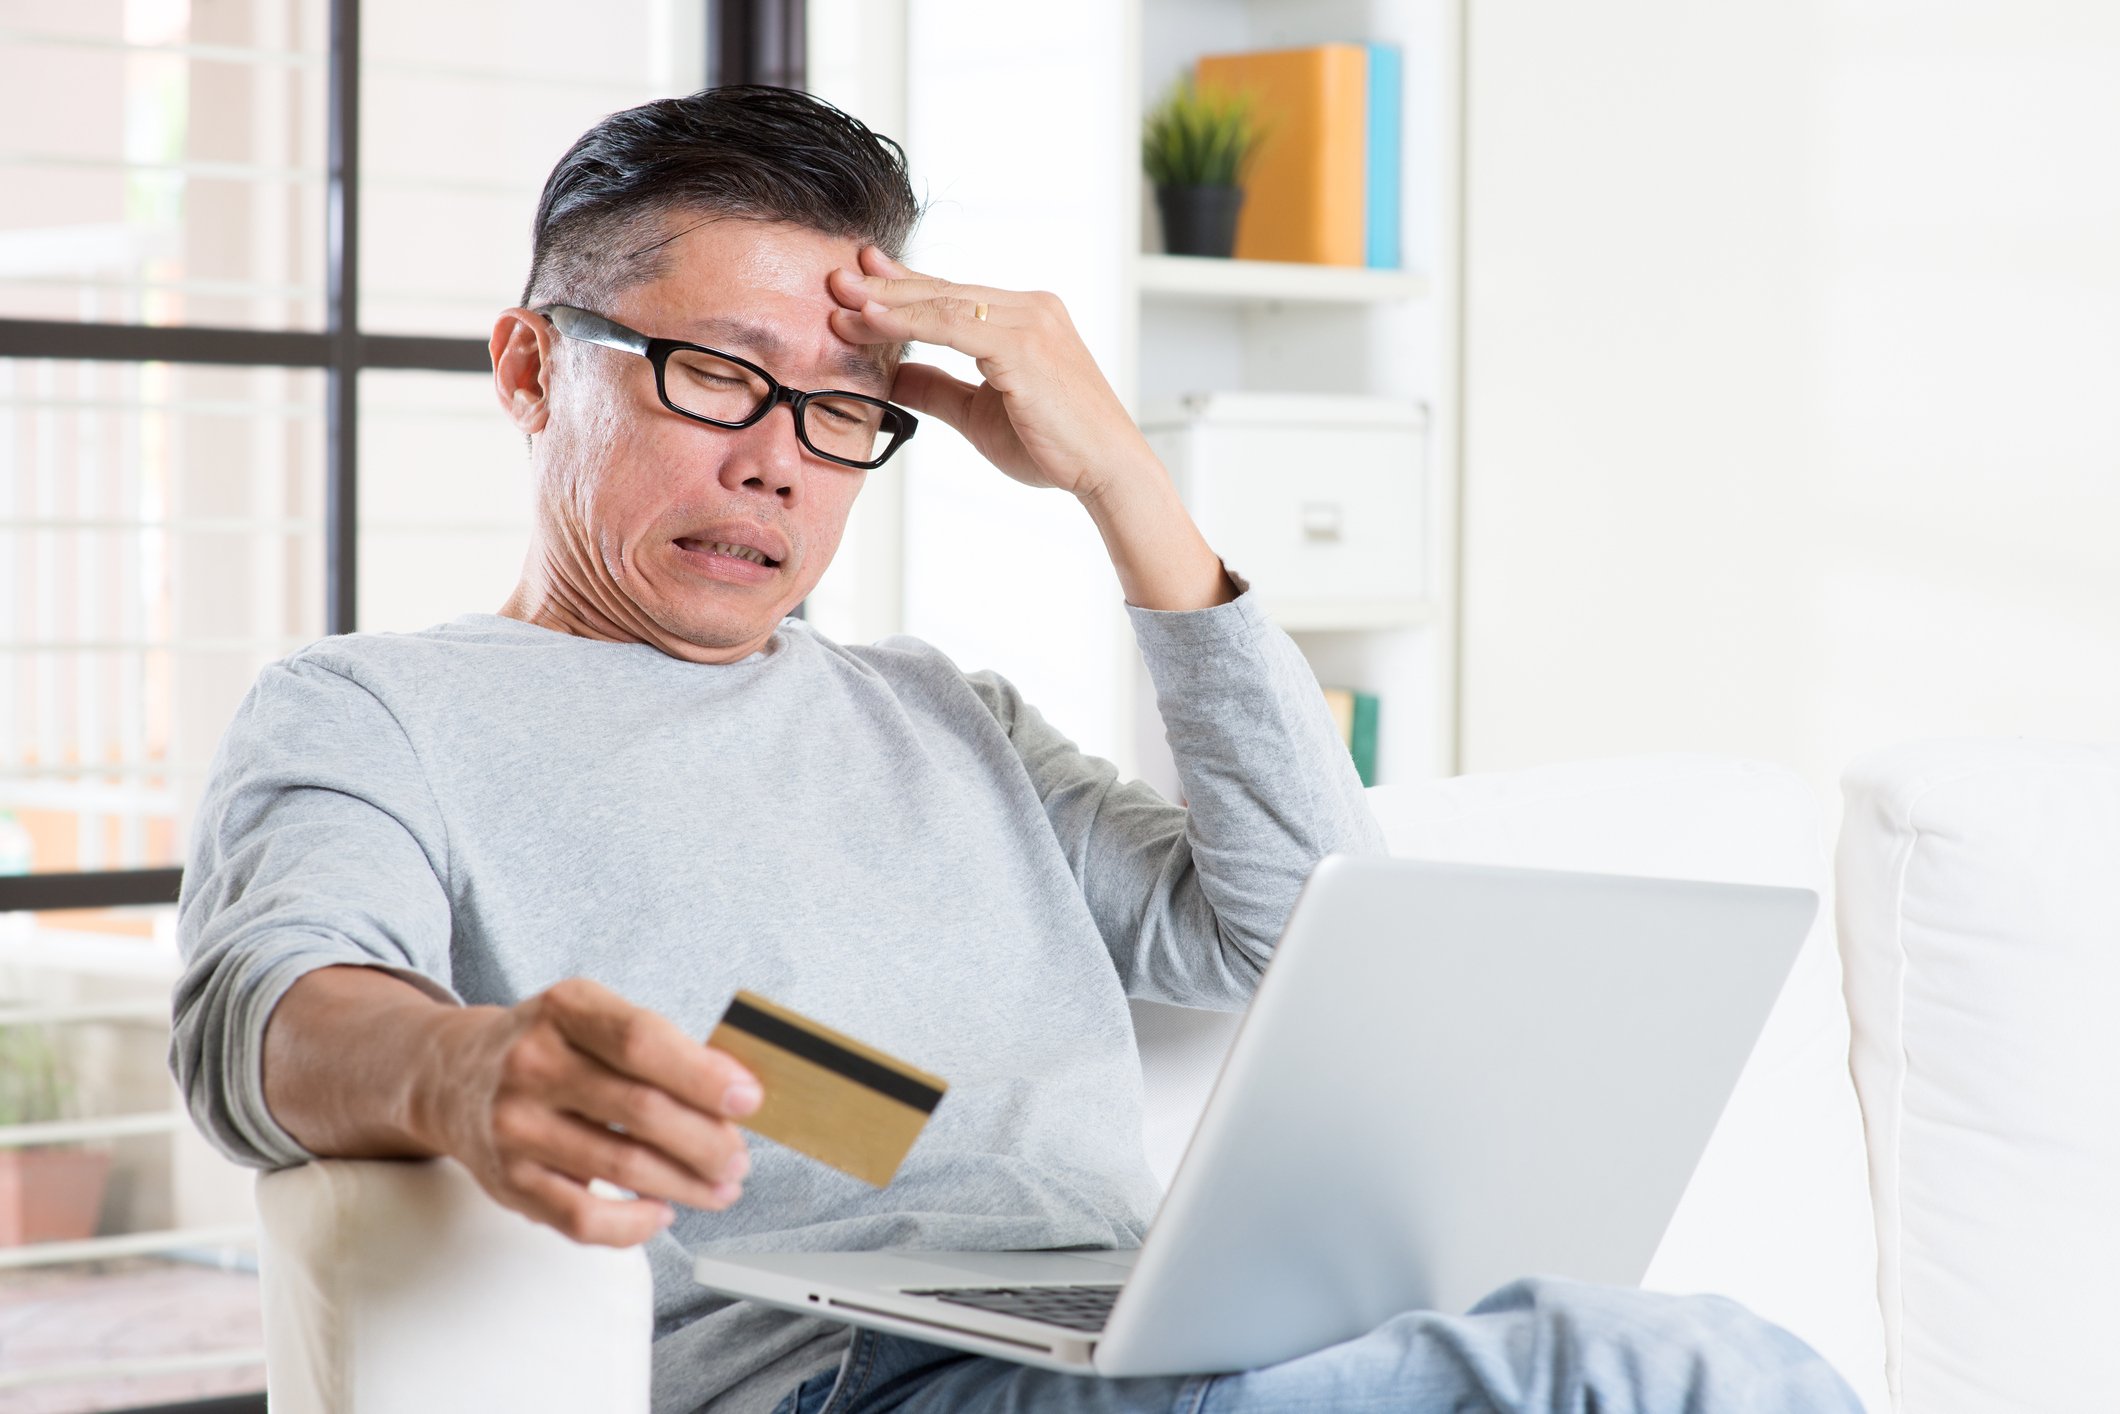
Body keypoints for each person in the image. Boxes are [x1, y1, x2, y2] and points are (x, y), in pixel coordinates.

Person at [170, 86, 1860, 1414]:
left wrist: (1124, 479)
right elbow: (266, 1012)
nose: (780, 464)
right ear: (533, 366)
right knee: (1673, 1372)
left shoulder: (942, 712)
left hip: (1145, 1342)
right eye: (714, 377)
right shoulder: (370, 708)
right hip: (838, 1384)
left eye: (840, 410)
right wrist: (468, 1068)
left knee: (1682, 1346)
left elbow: (1300, 933)